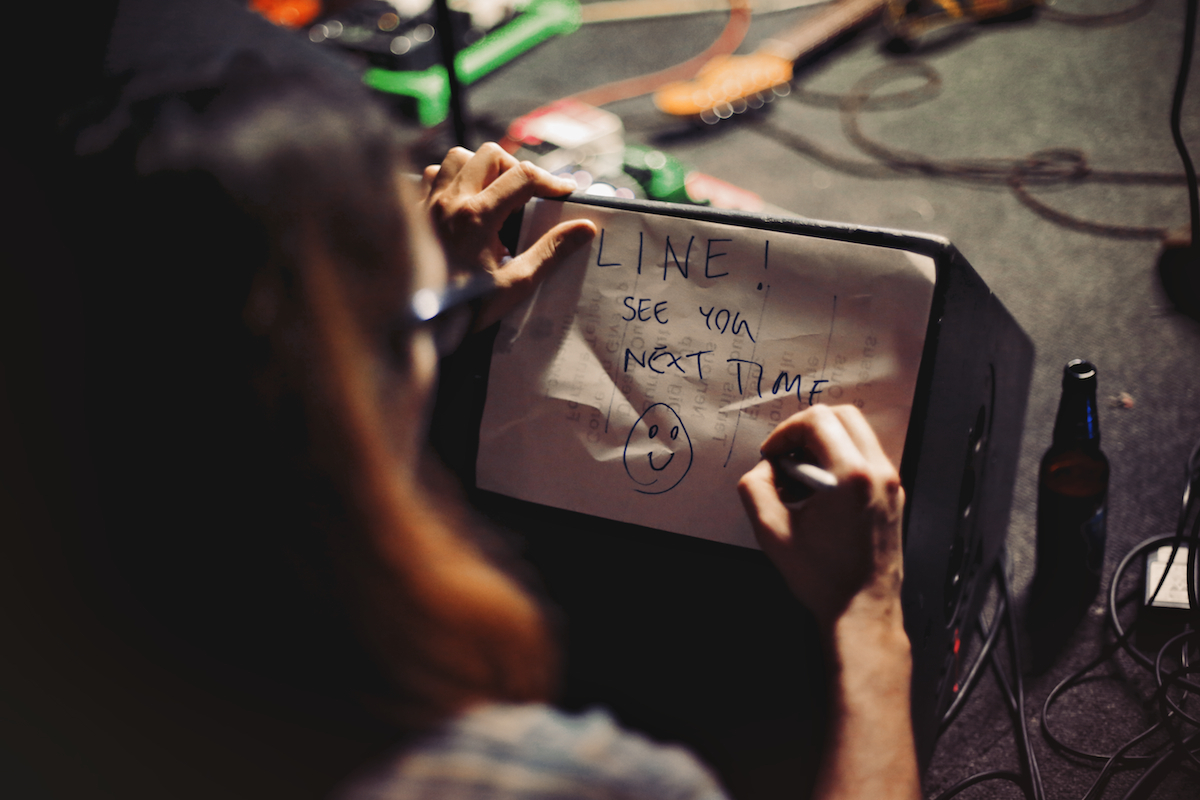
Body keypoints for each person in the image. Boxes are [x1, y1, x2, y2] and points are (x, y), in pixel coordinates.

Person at [21, 49, 919, 800]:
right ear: (337, 391)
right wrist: (870, 621)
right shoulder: (558, 780)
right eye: (414, 320)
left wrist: (423, 312)